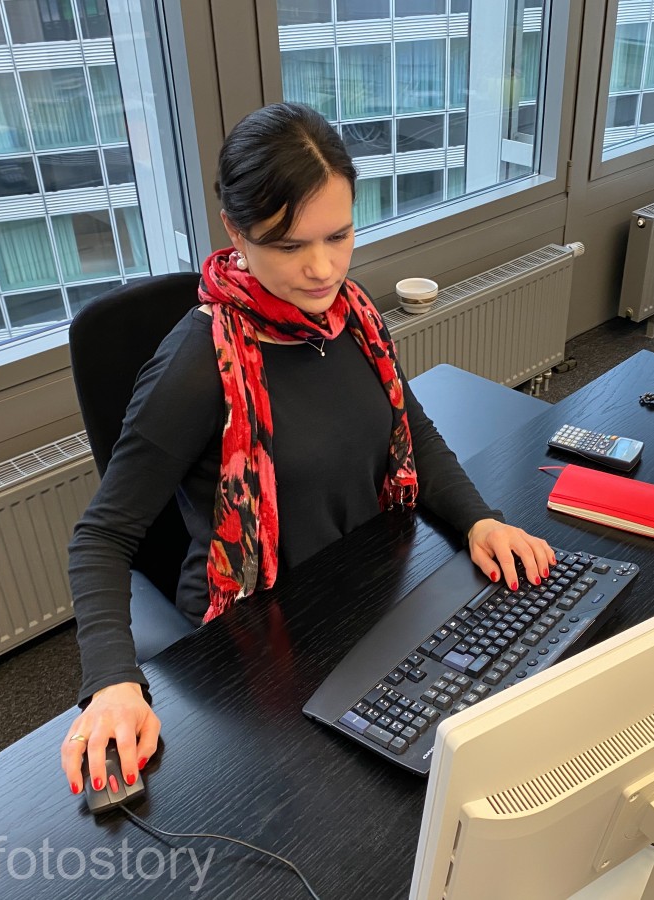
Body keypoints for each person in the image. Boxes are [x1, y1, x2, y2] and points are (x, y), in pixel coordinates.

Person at [60, 102, 554, 796]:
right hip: (260, 651)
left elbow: (408, 426)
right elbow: (101, 537)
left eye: (339, 235)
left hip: (365, 598)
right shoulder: (200, 365)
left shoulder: (351, 315)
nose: (322, 269)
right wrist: (112, 680)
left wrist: (481, 518)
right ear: (235, 231)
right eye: (289, 246)